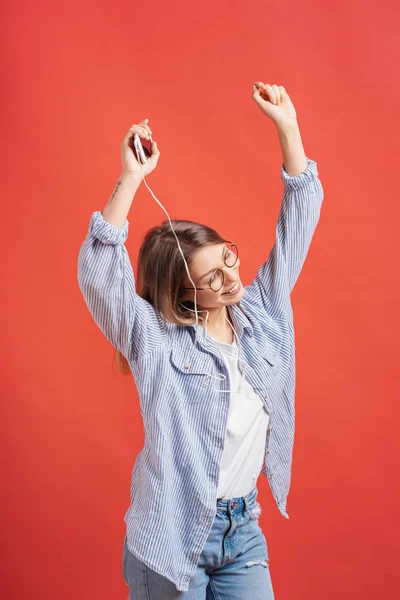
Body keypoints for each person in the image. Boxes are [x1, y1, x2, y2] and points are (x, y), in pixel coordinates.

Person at [77, 82, 324, 599]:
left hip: (242, 531)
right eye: (211, 278)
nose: (231, 277)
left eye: (228, 256)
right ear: (182, 292)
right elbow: (101, 271)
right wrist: (131, 177)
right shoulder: (156, 339)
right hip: (169, 537)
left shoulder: (262, 312)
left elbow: (300, 213)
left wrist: (288, 126)